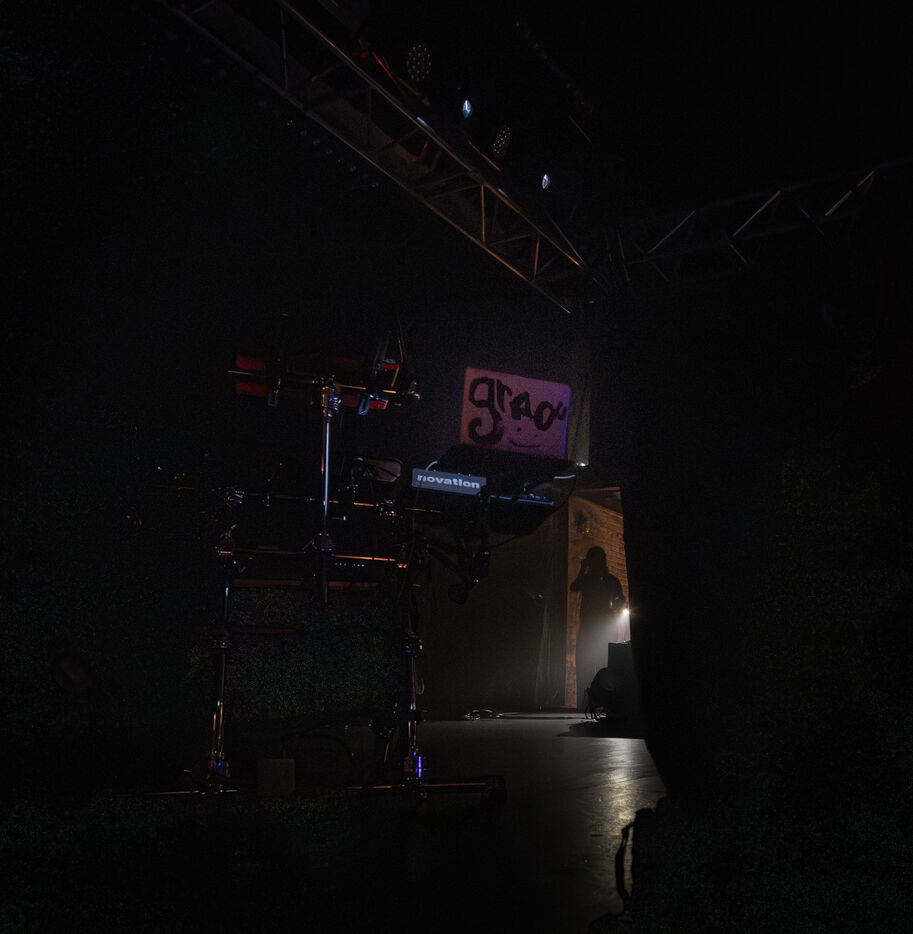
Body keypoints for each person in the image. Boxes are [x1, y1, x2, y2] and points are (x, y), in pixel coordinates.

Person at [570, 546, 627, 710]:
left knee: (604, 665)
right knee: (584, 666)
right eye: (593, 560)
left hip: (603, 628)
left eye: (598, 560)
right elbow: (574, 587)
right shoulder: (587, 579)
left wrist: (617, 605)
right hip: (588, 628)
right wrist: (582, 569)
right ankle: (585, 704)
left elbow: (620, 599)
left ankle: (605, 704)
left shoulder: (610, 580)